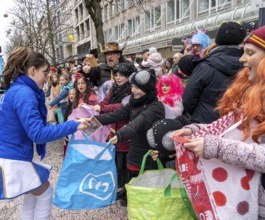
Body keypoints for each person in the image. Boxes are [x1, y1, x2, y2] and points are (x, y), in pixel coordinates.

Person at [0, 47, 90, 220]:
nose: (47, 78)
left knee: (33, 192)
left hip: (6, 153)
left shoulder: (16, 89)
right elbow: (38, 133)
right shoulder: (24, 93)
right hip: (11, 157)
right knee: (45, 192)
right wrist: (73, 125)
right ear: (32, 70)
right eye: (44, 73)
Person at [172, 25, 265, 219]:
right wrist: (197, 130)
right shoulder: (252, 93)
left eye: (249, 53)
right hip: (249, 199)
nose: (241, 59)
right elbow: (235, 129)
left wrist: (216, 147)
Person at [95, 69, 165, 206]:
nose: (134, 91)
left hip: (149, 154)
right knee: (133, 180)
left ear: (148, 89)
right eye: (133, 86)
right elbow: (117, 114)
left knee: (147, 187)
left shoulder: (156, 107)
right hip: (134, 150)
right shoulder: (134, 102)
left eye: (138, 88)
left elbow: (138, 123)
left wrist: (120, 135)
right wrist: (92, 122)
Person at [183, 21, 246, 123]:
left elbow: (188, 99)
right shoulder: (250, 65)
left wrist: (199, 113)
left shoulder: (205, 65)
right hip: (237, 125)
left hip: (204, 123)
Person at [93, 63, 136, 202]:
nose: (118, 78)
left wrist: (103, 108)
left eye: (122, 75)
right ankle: (121, 188)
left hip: (126, 128)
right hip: (113, 128)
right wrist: (100, 106)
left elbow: (123, 107)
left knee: (127, 163)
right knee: (117, 161)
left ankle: (129, 191)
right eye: (116, 75)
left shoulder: (132, 89)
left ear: (129, 76)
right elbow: (105, 101)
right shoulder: (114, 88)